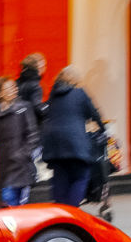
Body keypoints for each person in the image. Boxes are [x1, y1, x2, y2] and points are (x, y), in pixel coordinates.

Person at [40, 65, 104, 207]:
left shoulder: (53, 95)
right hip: (75, 143)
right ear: (76, 79)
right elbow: (94, 114)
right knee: (81, 176)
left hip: (54, 143)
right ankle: (71, 211)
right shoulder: (80, 93)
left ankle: (60, 210)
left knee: (60, 176)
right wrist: (103, 130)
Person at [0, 76, 39, 206]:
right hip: (5, 162)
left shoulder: (24, 107)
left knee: (17, 200)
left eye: (14, 87)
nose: (14, 90)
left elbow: (33, 134)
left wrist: (23, 153)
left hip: (22, 164)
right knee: (7, 200)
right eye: (9, 88)